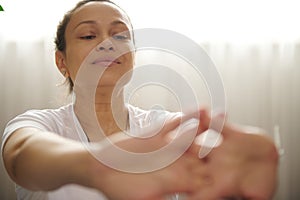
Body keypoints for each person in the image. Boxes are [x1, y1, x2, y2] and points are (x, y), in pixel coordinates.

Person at [1, 0, 279, 200]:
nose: (108, 42)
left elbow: (201, 150)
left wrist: (228, 172)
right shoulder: (38, 124)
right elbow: (21, 156)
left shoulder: (163, 128)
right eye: (88, 35)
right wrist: (99, 167)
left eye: (121, 35)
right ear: (61, 61)